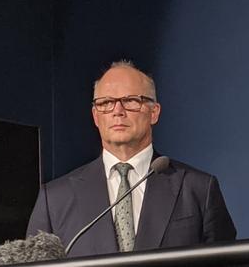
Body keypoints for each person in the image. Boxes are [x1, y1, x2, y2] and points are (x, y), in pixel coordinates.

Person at [27, 61, 236, 258]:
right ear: (95, 116)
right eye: (106, 102)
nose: (118, 111)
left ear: (154, 112)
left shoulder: (198, 189)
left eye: (130, 101)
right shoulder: (55, 199)